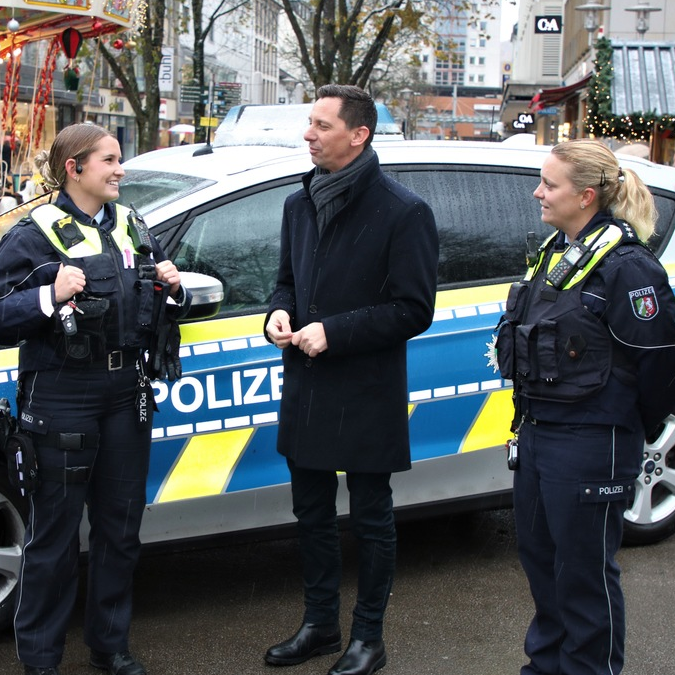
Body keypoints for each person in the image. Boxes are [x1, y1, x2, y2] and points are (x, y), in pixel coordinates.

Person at [0, 123, 186, 675]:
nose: (120, 170)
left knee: (119, 529)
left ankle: (110, 648)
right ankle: (41, 659)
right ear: (75, 167)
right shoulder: (36, 232)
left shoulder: (133, 225)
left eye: (120, 159)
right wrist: (48, 294)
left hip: (125, 393)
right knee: (55, 539)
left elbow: (150, 305)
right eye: (110, 160)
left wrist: (172, 288)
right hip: (63, 393)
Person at [263, 84, 439, 675]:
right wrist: (278, 314)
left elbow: (414, 308)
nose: (308, 134)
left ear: (358, 135)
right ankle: (319, 624)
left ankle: (369, 638)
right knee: (309, 513)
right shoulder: (299, 203)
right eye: (309, 123)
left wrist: (333, 331)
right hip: (308, 384)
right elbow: (285, 280)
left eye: (321, 125)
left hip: (365, 388)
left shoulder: (403, 211)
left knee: (371, 515)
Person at [496, 138, 675, 675]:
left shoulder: (628, 267)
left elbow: (661, 367)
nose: (538, 192)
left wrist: (625, 428)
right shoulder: (557, 252)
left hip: (591, 440)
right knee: (541, 563)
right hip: (538, 434)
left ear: (584, 196)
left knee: (583, 575)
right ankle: (547, 665)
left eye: (549, 184)